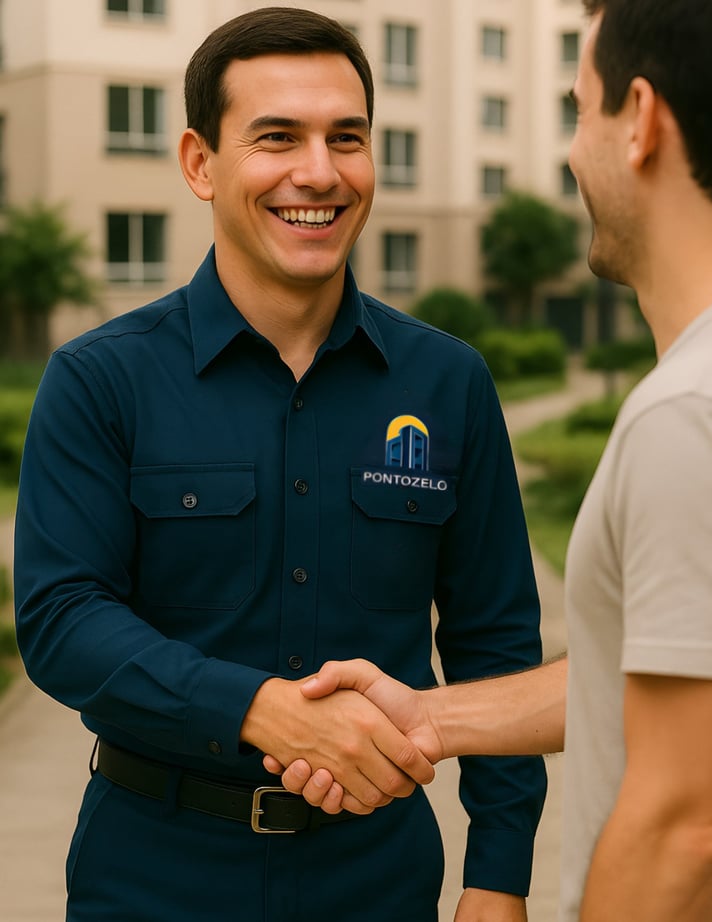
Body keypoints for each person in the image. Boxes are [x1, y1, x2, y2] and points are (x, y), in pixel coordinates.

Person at [12, 7, 546, 921]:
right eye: (277, 138)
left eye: (348, 137)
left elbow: (494, 643)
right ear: (199, 163)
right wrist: (261, 708)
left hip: (379, 878)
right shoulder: (102, 380)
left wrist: (498, 876)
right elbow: (62, 620)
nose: (320, 173)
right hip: (153, 876)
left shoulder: (447, 382)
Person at [272, 2, 712, 921]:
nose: (572, 154)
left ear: (644, 122)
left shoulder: (701, 412)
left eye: (579, 110)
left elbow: (681, 828)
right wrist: (433, 718)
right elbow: (700, 669)